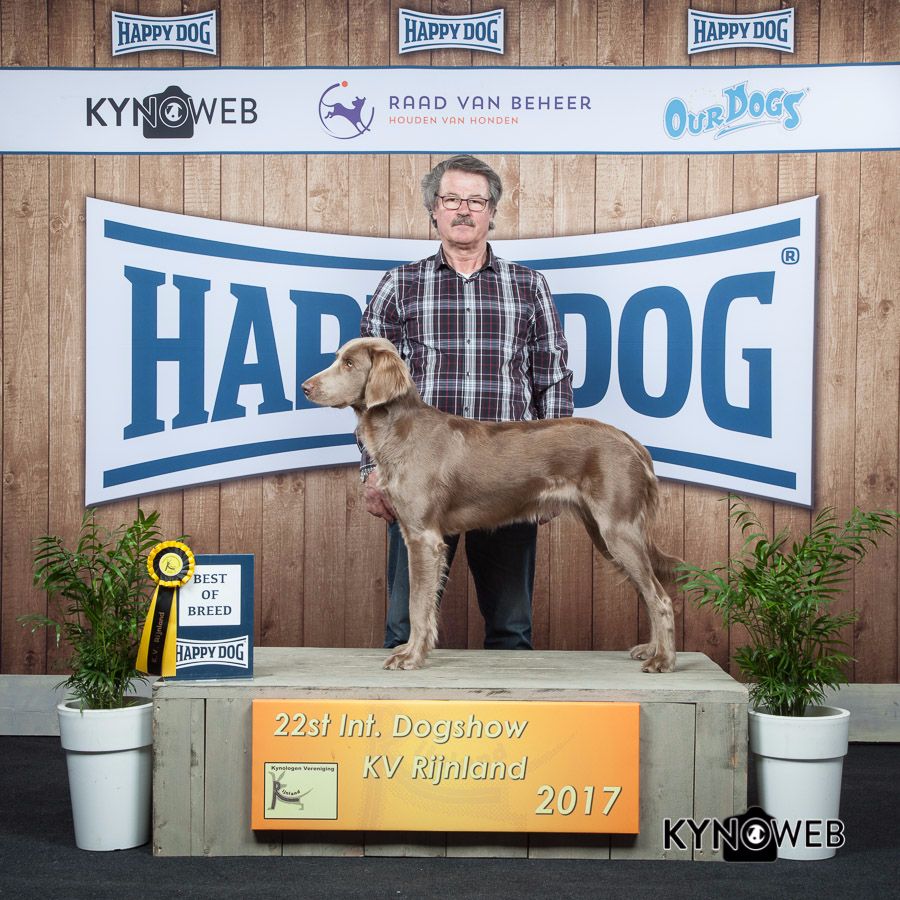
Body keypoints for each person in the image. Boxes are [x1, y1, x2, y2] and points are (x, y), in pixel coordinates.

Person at [359, 154, 574, 651]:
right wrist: (371, 468)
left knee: (511, 628)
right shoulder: (400, 285)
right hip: (420, 472)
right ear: (433, 210)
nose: (463, 210)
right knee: (402, 627)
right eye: (451, 199)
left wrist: (554, 470)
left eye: (476, 201)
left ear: (491, 213)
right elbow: (369, 389)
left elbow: (553, 380)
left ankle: (512, 723)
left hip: (510, 472)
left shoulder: (529, 286)